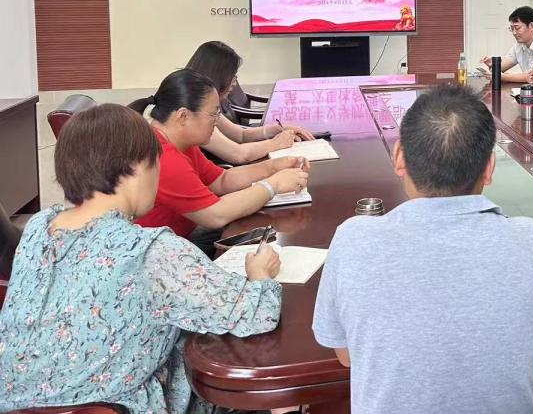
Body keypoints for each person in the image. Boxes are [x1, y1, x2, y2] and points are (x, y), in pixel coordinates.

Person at [0, 104, 282, 414]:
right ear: (136, 167)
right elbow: (256, 313)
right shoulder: (150, 252)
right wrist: (260, 273)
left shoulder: (39, 227)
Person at [313, 85, 533, 414]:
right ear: (489, 168)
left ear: (399, 158)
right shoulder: (532, 240)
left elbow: (346, 354)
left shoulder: (353, 239)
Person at [130, 69, 309, 252]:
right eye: (213, 114)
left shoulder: (182, 142)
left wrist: (273, 166)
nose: (216, 122)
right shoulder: (163, 156)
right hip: (160, 252)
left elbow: (222, 180)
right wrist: (274, 184)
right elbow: (216, 214)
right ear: (183, 116)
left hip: (183, 235)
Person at [186, 40, 313, 165]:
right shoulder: (194, 110)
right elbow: (238, 154)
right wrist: (276, 143)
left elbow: (241, 135)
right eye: (232, 77)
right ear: (217, 76)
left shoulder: (204, 102)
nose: (234, 83)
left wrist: (278, 129)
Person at [480, 6, 533, 84]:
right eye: (512, 29)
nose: (514, 33)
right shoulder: (519, 45)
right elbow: (500, 68)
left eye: (517, 28)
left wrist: (502, 76)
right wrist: (493, 65)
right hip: (529, 89)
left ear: (531, 26)